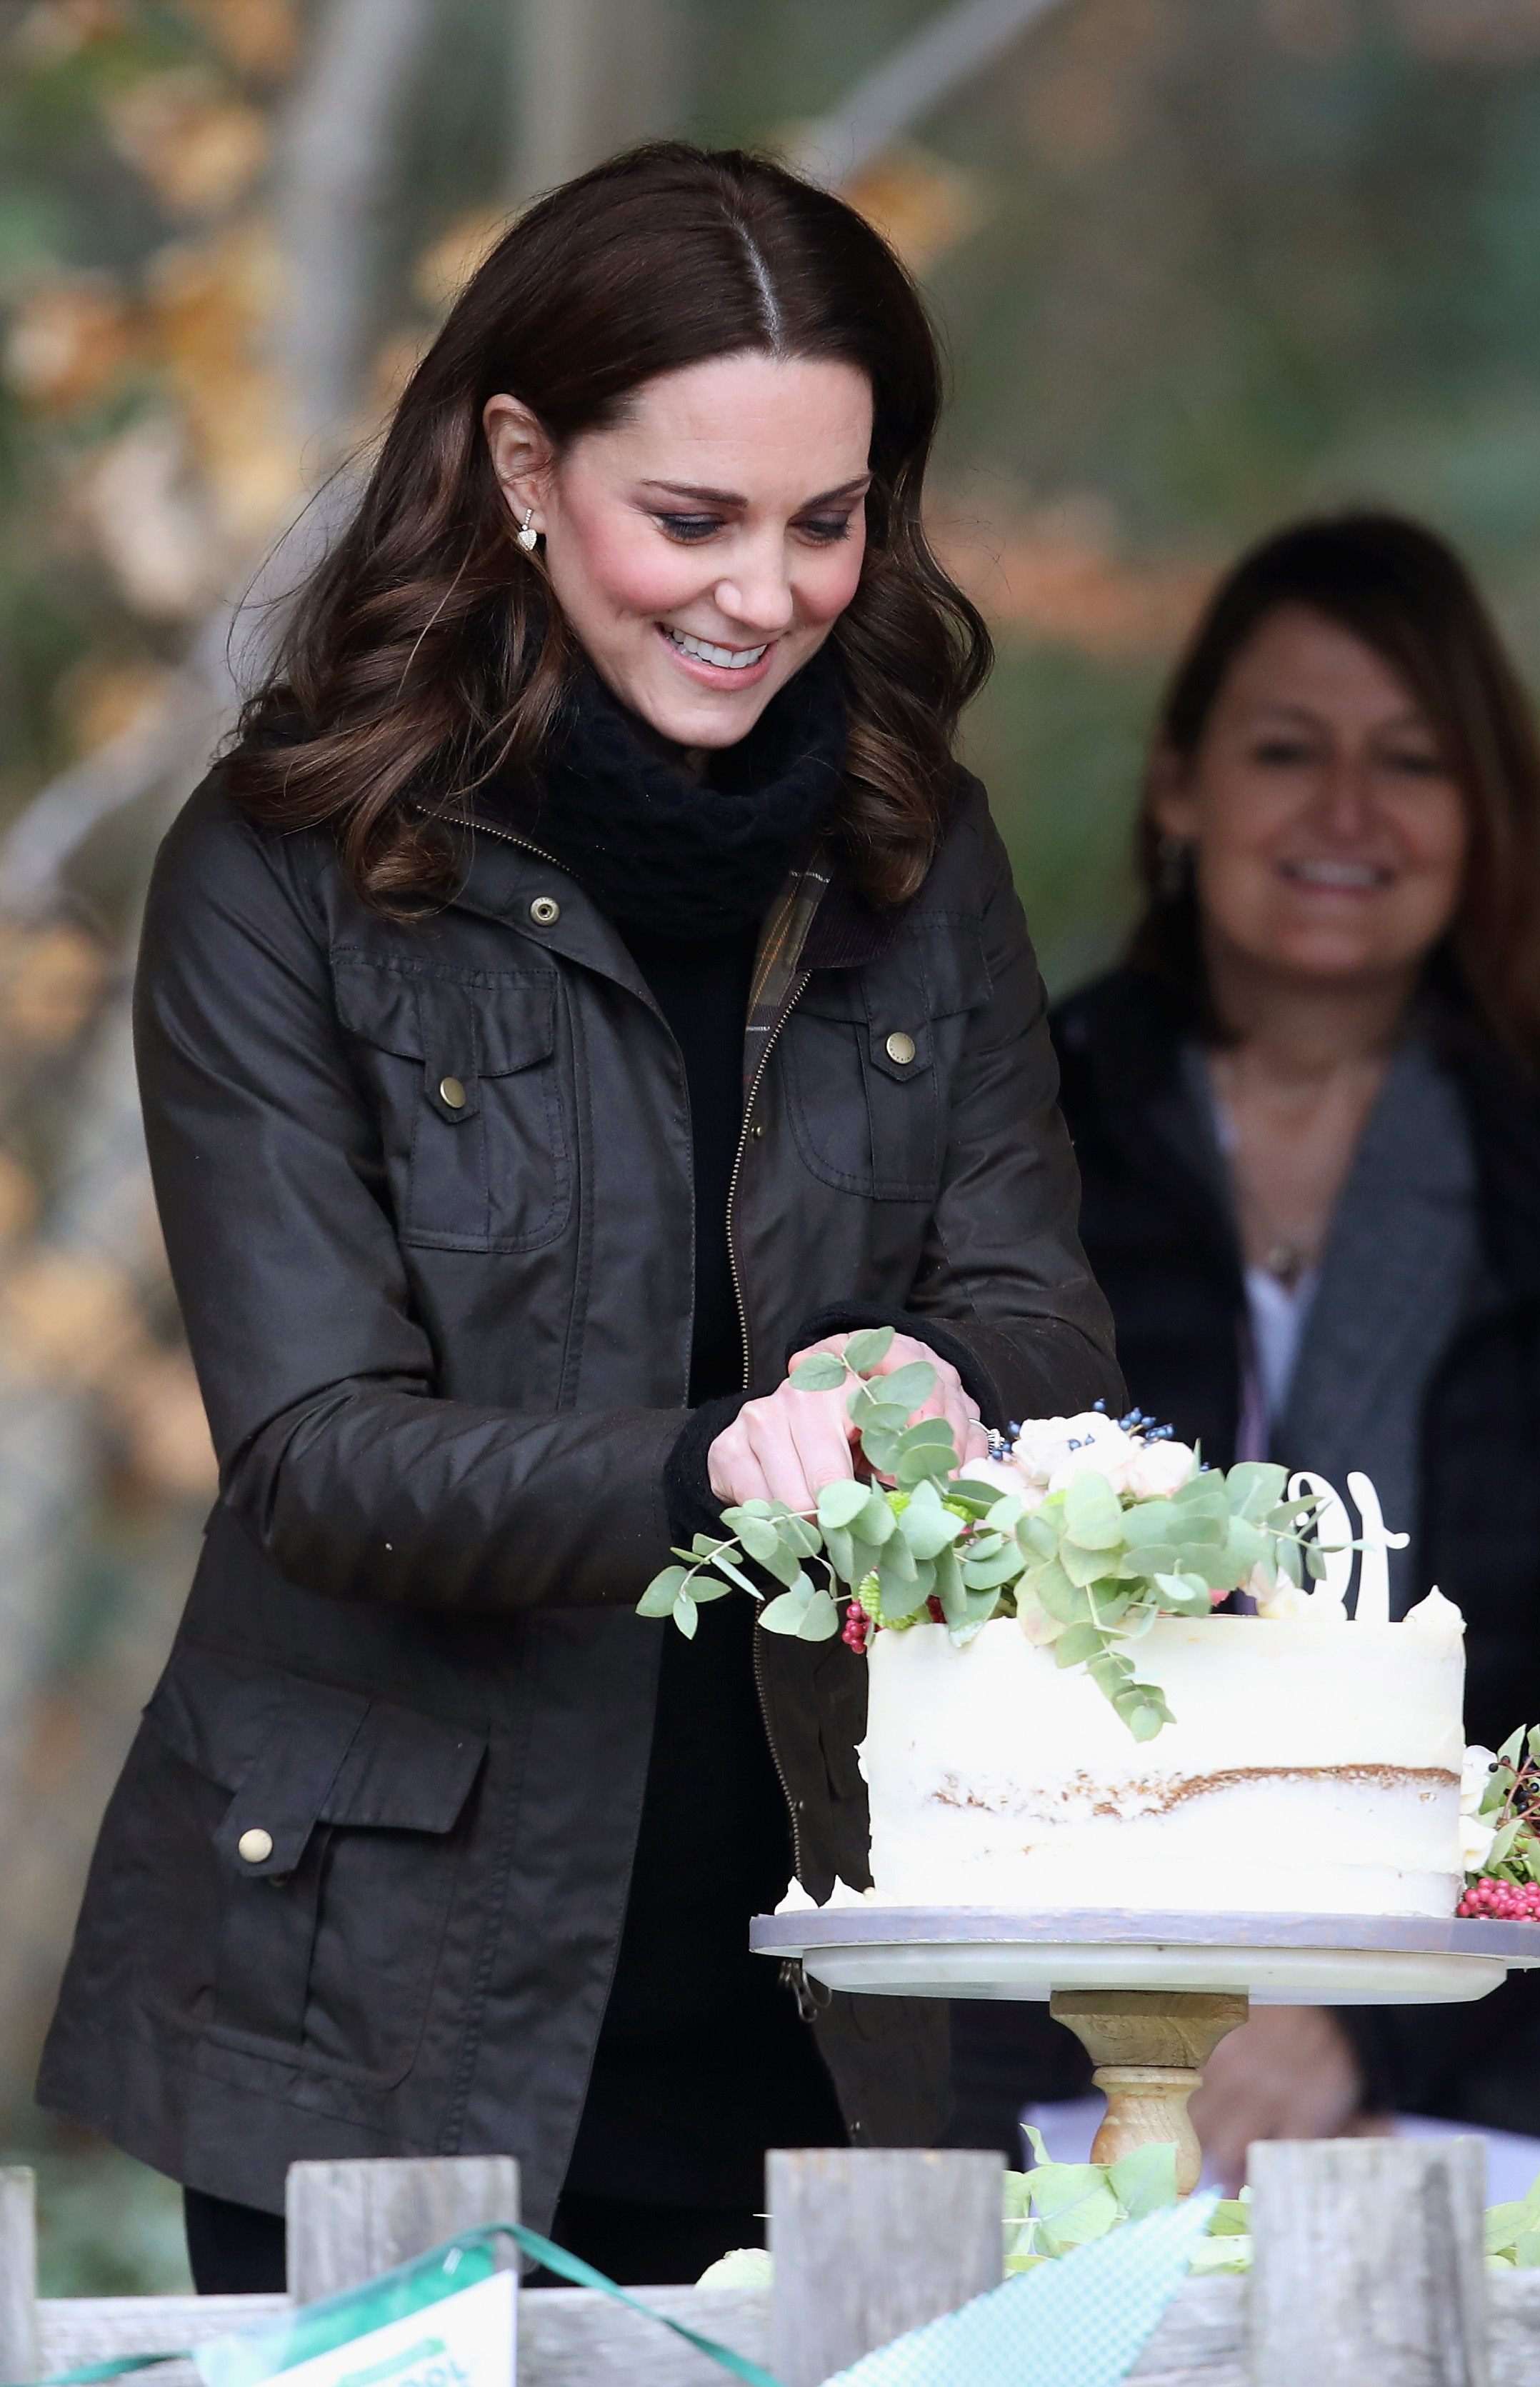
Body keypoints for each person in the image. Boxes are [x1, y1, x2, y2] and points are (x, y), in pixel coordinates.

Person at [39, 143, 1119, 2292]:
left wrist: (949, 1375)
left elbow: (1045, 1318)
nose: (768, 591)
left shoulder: (923, 849)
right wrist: (711, 1458)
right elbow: (320, 1452)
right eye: (693, 520)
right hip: (378, 2027)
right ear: (521, 463)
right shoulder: (283, 873)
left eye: (831, 521)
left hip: (847, 1991)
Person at [1036, 512, 1540, 2196]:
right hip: (1067, 2074)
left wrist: (1373, 2027)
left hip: (1517, 2089)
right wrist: (1189, 2038)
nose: (1346, 815)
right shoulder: (1014, 1143)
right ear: (1178, 788)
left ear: (1480, 815)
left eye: (1413, 762)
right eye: (1287, 750)